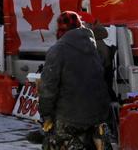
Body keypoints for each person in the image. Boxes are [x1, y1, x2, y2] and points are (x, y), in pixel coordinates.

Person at [39, 11, 111, 150]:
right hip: (98, 114)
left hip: (71, 117)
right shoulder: (92, 45)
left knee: (51, 141)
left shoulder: (58, 50)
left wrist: (46, 115)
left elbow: (48, 89)